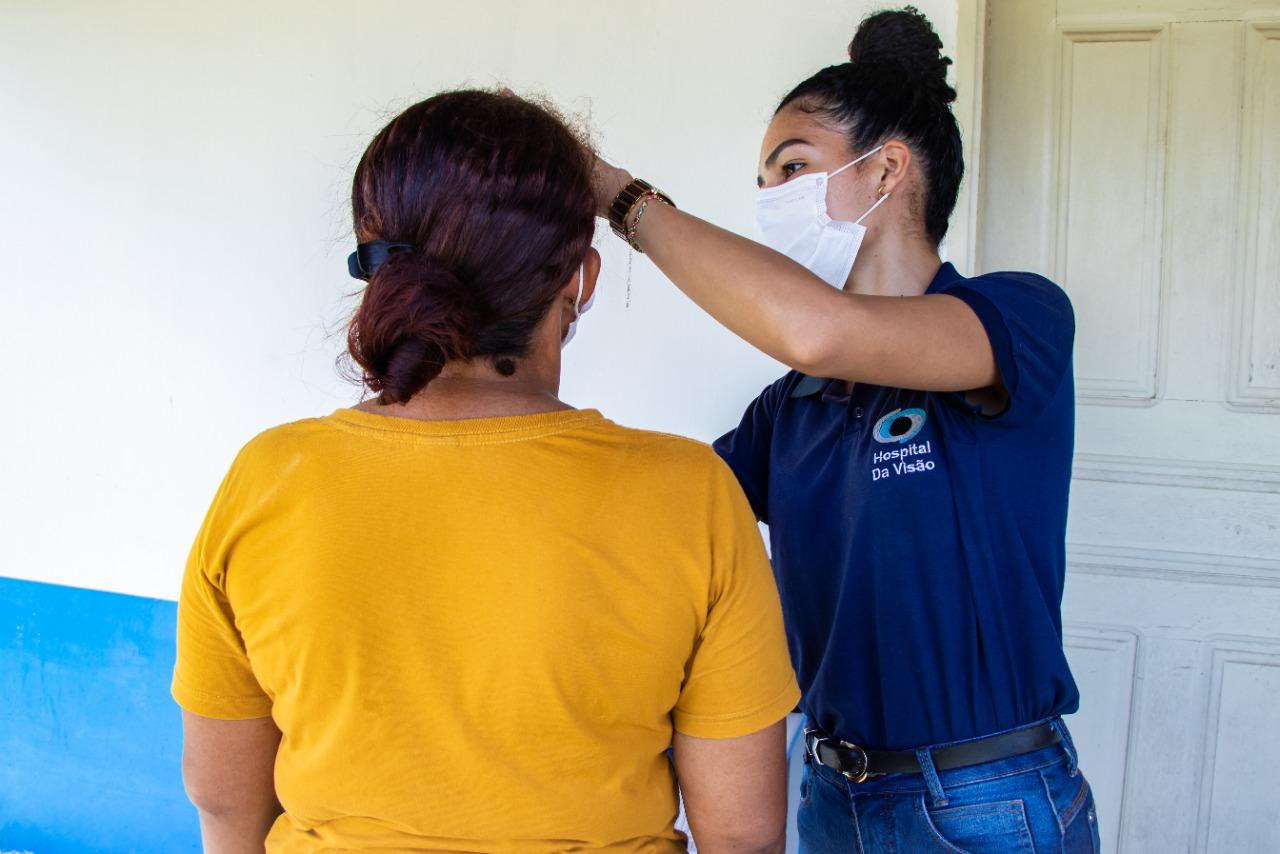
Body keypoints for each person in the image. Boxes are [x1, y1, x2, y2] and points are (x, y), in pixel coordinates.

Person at [172, 90, 800, 854]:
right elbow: (743, 834)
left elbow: (226, 805)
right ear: (581, 279)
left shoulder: (270, 478)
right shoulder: (691, 493)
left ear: (382, 268)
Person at [590, 7, 1100, 852]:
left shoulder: (1016, 317)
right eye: (762, 182)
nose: (770, 202)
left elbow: (817, 326)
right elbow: (673, 507)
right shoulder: (796, 403)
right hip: (830, 793)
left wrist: (623, 199)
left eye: (792, 167)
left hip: (986, 800)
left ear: (888, 169)